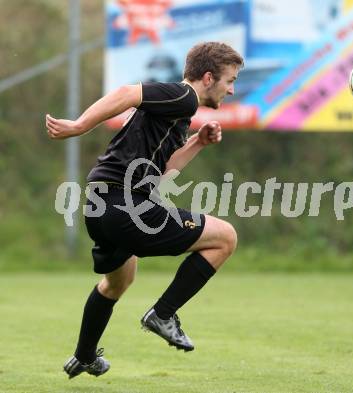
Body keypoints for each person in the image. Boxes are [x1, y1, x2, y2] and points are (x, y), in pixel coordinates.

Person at [46, 41, 244, 379]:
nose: (232, 89)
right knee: (225, 238)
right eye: (230, 80)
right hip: (125, 204)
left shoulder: (179, 112)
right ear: (208, 77)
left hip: (100, 205)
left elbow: (161, 172)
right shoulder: (182, 96)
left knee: (118, 282)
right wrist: (79, 125)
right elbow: (127, 92)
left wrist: (197, 142)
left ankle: (84, 356)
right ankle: (163, 314)